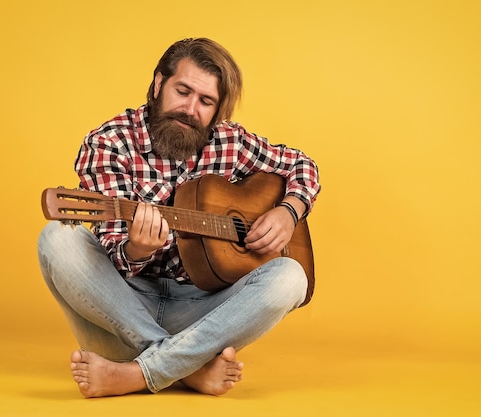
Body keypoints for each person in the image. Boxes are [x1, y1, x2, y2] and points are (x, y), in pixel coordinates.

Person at [37, 38, 321, 398]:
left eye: (205, 102)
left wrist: (289, 210)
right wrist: (136, 249)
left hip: (202, 310)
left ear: (217, 110)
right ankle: (188, 368)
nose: (190, 109)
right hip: (121, 309)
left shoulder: (229, 141)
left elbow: (302, 166)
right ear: (158, 84)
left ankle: (139, 371)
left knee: (291, 277)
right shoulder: (108, 143)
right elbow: (111, 255)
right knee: (55, 238)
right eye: (182, 91)